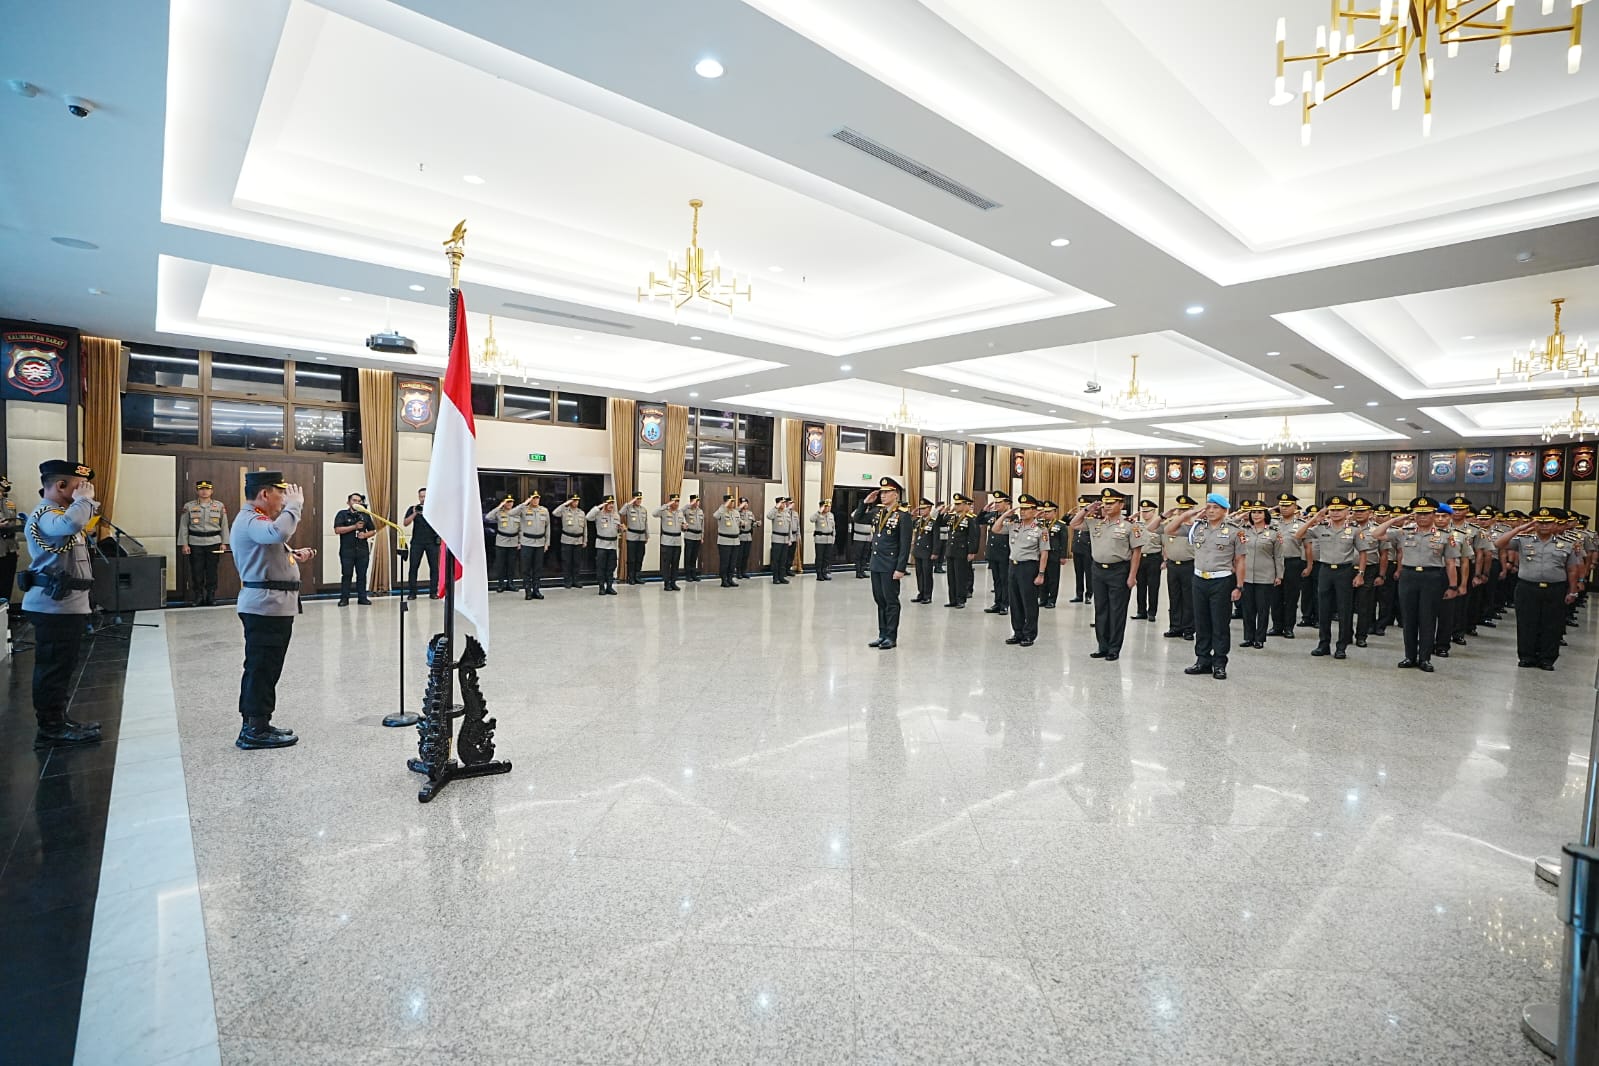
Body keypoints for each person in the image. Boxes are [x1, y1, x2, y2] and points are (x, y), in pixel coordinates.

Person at [231, 470, 316, 750]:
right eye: (281, 493)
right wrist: (295, 506)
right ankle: (254, 730)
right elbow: (278, 532)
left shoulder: (258, 520)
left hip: (272, 606)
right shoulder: (251, 519)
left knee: (266, 667)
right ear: (264, 494)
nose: (284, 499)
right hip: (265, 607)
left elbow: (270, 548)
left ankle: (259, 723)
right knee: (262, 668)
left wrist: (292, 554)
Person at [20, 460, 102, 747]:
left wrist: (82, 502)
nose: (85, 490)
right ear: (61, 485)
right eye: (79, 486)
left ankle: (59, 719)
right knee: (53, 668)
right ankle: (51, 728)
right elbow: (70, 524)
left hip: (66, 605)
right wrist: (84, 501)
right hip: (53, 606)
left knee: (63, 667)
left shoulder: (62, 513)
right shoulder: (46, 514)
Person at [1371, 496, 1460, 673]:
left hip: (1432, 577)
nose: (1422, 517)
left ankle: (1425, 658)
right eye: (1419, 513)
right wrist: (1397, 519)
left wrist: (1452, 586)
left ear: (1434, 514)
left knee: (1428, 618)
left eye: (1426, 514)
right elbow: (1376, 534)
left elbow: (1450, 563)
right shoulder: (1404, 532)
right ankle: (1409, 656)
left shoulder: (1445, 536)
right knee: (1409, 618)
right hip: (1408, 576)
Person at [1497, 507, 1584, 671]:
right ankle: (1526, 656)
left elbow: (1572, 569)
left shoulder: (1567, 544)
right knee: (1526, 623)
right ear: (1534, 524)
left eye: (1548, 523)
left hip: (1555, 588)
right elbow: (1499, 543)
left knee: (1552, 624)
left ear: (1555, 524)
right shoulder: (1523, 540)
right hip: (1527, 587)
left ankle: (1547, 659)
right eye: (1540, 522)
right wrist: (1520, 528)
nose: (1544, 526)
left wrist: (1573, 590)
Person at [1170, 492, 1244, 681]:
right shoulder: (1198, 527)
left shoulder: (1235, 531)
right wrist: (1188, 514)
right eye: (1208, 507)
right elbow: (1170, 530)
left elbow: (1240, 560)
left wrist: (1239, 586)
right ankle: (1202, 660)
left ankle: (1219, 663)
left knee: (1219, 624)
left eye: (1215, 508)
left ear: (1225, 510)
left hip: (1222, 581)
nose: (1211, 511)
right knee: (1201, 623)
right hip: (1199, 580)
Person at [1071, 489, 1141, 662]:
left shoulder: (1130, 525)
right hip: (1098, 570)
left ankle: (1114, 648)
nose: (1107, 506)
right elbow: (1073, 523)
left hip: (1119, 571)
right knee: (1101, 609)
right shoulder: (1096, 523)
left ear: (1121, 505)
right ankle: (1102, 646)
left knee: (1117, 611)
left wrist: (1132, 576)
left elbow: (1136, 552)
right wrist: (1087, 509)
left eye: (1111, 503)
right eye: (1105, 503)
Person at [1297, 495, 1367, 660]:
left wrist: (1360, 574)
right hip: (1325, 570)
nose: (1335, 513)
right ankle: (1323, 644)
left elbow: (1363, 553)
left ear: (1347, 511)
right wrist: (1314, 518)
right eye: (1332, 510)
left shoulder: (1354, 530)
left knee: (1344, 609)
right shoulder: (1321, 528)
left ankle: (1341, 646)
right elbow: (1298, 535)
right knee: (1324, 608)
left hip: (1344, 571)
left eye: (1339, 510)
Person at [855, 477, 913, 650]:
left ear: (896, 494)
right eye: (882, 492)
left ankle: (891, 636)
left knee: (891, 601)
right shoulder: (878, 512)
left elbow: (905, 544)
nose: (883, 495)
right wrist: (865, 502)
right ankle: (882, 634)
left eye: (887, 492)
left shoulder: (903, 516)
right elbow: (858, 518)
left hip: (890, 565)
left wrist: (901, 568)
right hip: (876, 563)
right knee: (880, 600)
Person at [995, 494, 1047, 647]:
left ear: (1034, 511)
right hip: (1013, 566)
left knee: (1028, 602)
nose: (1022, 512)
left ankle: (1029, 634)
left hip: (1029, 568)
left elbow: (1044, 553)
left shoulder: (1040, 529)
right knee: (1015, 601)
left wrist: (1041, 574)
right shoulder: (1014, 525)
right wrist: (1005, 514)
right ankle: (1017, 632)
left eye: (1026, 509)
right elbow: (995, 528)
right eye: (1021, 509)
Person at [177, 479, 228, 606]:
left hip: (214, 542)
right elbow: (183, 526)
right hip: (195, 543)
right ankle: (198, 596)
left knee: (212, 571)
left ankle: (211, 596)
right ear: (197, 491)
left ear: (212, 491)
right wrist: (184, 544)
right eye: (201, 489)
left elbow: (224, 525)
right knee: (196, 571)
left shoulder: (219, 506)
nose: (204, 491)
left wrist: (224, 542)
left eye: (207, 489)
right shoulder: (189, 506)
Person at [1237, 500, 1280, 649]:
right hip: (1246, 574)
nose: (1256, 515)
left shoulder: (1274, 533)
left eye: (1259, 512)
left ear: (1265, 514)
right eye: (1253, 512)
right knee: (1248, 609)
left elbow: (1278, 556)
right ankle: (1248, 637)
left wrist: (1279, 575)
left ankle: (1260, 638)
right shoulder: (1243, 531)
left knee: (1262, 609)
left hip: (1266, 575)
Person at [1153, 494, 1198, 639]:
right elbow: (1151, 529)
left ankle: (1189, 629)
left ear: (1191, 510)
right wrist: (1163, 516)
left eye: (1185, 510)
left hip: (1189, 565)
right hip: (1172, 566)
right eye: (1180, 510)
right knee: (1174, 597)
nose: (1181, 513)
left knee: (1189, 599)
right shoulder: (1169, 525)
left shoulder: (1195, 527)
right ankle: (1175, 627)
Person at [1271, 494, 1310, 637]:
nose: (1284, 508)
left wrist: (1309, 565)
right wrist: (1272, 509)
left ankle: (1288, 627)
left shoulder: (1301, 524)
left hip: (1293, 562)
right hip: (1275, 563)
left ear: (1295, 507)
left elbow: (1307, 547)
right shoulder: (1272, 522)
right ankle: (1276, 626)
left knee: (1291, 597)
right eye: (1282, 505)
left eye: (1287, 505)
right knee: (1275, 597)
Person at [332, 492, 376, 605]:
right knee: (347, 575)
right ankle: (344, 598)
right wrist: (354, 527)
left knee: (362, 575)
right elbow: (337, 530)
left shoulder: (365, 515)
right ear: (348, 502)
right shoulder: (342, 514)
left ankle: (362, 598)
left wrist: (365, 535)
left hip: (362, 550)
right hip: (347, 550)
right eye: (354, 500)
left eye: (359, 501)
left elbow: (373, 530)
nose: (357, 503)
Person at [402, 487, 440, 600]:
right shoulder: (413, 508)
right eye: (421, 496)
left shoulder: (435, 508)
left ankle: (433, 592)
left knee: (434, 567)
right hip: (417, 542)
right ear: (419, 497)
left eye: (425, 496)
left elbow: (440, 523)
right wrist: (415, 513)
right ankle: (412, 593)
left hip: (432, 542)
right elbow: (405, 523)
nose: (423, 499)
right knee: (413, 567)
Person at [941, 494, 978, 608]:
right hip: (951, 550)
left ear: (966, 505)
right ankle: (952, 599)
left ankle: (961, 599)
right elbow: (940, 523)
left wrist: (972, 551)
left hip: (962, 551)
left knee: (960, 576)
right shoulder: (952, 517)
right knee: (951, 577)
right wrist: (944, 512)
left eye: (958, 504)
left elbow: (973, 536)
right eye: (955, 504)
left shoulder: (970, 519)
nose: (956, 506)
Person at [981, 491, 1012, 615]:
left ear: (1007, 503)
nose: (997, 504)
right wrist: (984, 511)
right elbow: (979, 521)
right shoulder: (992, 515)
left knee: (1005, 580)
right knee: (996, 580)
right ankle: (997, 603)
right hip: (993, 552)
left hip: (1004, 552)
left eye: (1000, 502)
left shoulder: (1012, 517)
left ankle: (1005, 604)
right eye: (995, 502)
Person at [1132, 499, 1163, 621]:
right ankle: (1141, 611)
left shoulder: (1160, 526)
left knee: (1153, 586)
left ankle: (1152, 612)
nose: (1144, 514)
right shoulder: (1138, 525)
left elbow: (1164, 544)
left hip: (1154, 558)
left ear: (1154, 511)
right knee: (1140, 586)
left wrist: (1165, 560)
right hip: (1141, 559)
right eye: (1143, 511)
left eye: (1147, 511)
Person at [517, 490, 551, 600]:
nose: (535, 500)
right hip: (527, 542)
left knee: (538, 569)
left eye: (537, 498)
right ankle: (528, 591)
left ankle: (536, 590)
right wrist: (525, 503)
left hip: (540, 543)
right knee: (526, 569)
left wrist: (547, 543)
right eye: (533, 498)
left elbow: (548, 527)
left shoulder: (544, 510)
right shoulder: (523, 509)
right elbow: (512, 512)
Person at [587, 495, 622, 595]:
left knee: (611, 567)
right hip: (601, 545)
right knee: (601, 567)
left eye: (612, 503)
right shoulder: (599, 514)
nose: (611, 505)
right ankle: (601, 587)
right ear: (604, 504)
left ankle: (609, 587)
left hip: (613, 545)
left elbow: (617, 529)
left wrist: (621, 529)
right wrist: (599, 507)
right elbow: (588, 517)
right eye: (609, 503)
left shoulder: (616, 515)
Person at [486, 495, 520, 593]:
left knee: (511, 565)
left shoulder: (517, 513)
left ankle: (510, 583)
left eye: (511, 502)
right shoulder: (499, 513)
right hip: (501, 542)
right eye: (507, 502)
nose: (509, 504)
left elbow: (521, 528)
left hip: (513, 541)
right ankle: (500, 584)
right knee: (500, 564)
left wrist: (520, 541)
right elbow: (488, 517)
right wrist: (499, 506)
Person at [553, 494, 588, 588]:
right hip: (567, 540)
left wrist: (585, 540)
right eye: (574, 500)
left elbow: (585, 528)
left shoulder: (581, 513)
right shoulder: (564, 511)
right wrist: (565, 504)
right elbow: (555, 513)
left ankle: (576, 580)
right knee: (567, 562)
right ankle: (567, 581)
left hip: (578, 540)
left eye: (577, 500)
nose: (576, 502)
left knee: (577, 562)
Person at [1040, 502, 1068, 609]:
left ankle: (1052, 600)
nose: (1046, 514)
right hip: (1041, 555)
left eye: (1048, 512)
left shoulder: (1060, 525)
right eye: (1045, 512)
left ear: (1055, 512)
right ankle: (1043, 599)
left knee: (1053, 578)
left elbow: (1064, 541)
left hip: (1054, 555)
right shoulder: (1040, 524)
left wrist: (1063, 556)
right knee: (1043, 577)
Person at [655, 494, 685, 592]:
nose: (676, 503)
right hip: (667, 541)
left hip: (677, 542)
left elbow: (682, 525)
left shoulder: (680, 513)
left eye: (678, 501)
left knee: (675, 563)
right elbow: (654, 513)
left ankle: (673, 582)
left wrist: (684, 527)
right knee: (666, 564)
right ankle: (666, 583)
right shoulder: (664, 511)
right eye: (674, 501)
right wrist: (666, 505)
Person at [910, 499, 938, 604]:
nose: (921, 511)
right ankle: (920, 593)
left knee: (927, 574)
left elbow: (936, 538)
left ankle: (927, 595)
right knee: (919, 574)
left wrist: (935, 552)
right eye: (920, 509)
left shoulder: (933, 522)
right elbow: (908, 525)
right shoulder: (918, 521)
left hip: (927, 551)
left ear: (930, 509)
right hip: (918, 551)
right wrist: (911, 515)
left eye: (924, 508)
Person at [619, 492, 650, 584]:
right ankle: (631, 577)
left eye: (640, 499)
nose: (639, 500)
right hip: (632, 536)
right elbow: (621, 512)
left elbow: (646, 523)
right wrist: (629, 503)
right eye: (637, 499)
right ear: (633, 499)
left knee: (640, 557)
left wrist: (647, 535)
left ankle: (637, 576)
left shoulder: (643, 509)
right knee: (631, 558)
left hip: (641, 536)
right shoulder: (629, 508)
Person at [0, 475, 21, 610]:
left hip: (9, 547)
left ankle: (4, 612)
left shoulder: (9, 503)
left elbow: (12, 524)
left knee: (7, 582)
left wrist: (16, 548)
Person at [713, 494, 742, 587]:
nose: (732, 503)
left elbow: (739, 522)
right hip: (724, 541)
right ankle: (724, 580)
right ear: (726, 502)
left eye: (733, 501)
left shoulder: (736, 512)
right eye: (730, 501)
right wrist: (724, 506)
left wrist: (743, 523)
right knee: (725, 562)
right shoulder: (721, 511)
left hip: (735, 541)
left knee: (733, 562)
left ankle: (730, 578)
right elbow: (715, 515)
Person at [1070, 495, 1094, 604]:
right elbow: (1065, 521)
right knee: (1078, 574)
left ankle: (1089, 595)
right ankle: (1079, 594)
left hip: (1088, 551)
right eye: (1081, 507)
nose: (1082, 510)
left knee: (1089, 574)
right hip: (1077, 550)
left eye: (1084, 507)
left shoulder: (1092, 521)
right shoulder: (1077, 520)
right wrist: (1069, 513)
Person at [767, 498, 796, 584]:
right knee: (776, 560)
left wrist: (790, 539)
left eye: (784, 503)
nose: (784, 504)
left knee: (783, 560)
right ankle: (775, 577)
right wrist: (776, 507)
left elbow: (789, 528)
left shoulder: (786, 513)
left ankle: (782, 577)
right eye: (782, 503)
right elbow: (769, 516)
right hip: (777, 539)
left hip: (785, 540)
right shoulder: (775, 512)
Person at [810, 499, 837, 579]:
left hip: (829, 539)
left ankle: (824, 572)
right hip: (820, 540)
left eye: (829, 506)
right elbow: (811, 519)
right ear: (822, 507)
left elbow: (833, 528)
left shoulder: (831, 515)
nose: (829, 508)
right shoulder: (817, 515)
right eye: (827, 506)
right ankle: (819, 574)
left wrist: (833, 538)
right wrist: (819, 512)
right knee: (819, 558)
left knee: (827, 558)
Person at [682, 495, 705, 582]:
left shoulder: (700, 511)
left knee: (694, 557)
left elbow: (702, 525)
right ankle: (687, 575)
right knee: (688, 556)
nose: (697, 503)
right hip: (689, 535)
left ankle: (693, 574)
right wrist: (689, 505)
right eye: (695, 501)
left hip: (698, 536)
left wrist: (702, 536)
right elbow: (679, 512)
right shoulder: (687, 510)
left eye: (698, 501)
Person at [851, 501, 874, 579]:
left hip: (867, 537)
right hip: (859, 537)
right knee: (858, 555)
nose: (866, 509)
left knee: (865, 556)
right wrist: (859, 510)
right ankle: (858, 572)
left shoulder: (869, 515)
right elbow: (853, 516)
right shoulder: (857, 514)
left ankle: (862, 570)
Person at [736, 500, 758, 579]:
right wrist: (740, 507)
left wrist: (757, 524)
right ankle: (738, 572)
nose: (745, 505)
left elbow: (753, 523)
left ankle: (743, 571)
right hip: (740, 536)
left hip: (748, 537)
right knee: (739, 556)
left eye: (746, 503)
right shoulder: (737, 512)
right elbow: (734, 512)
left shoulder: (750, 513)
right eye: (743, 503)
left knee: (746, 555)